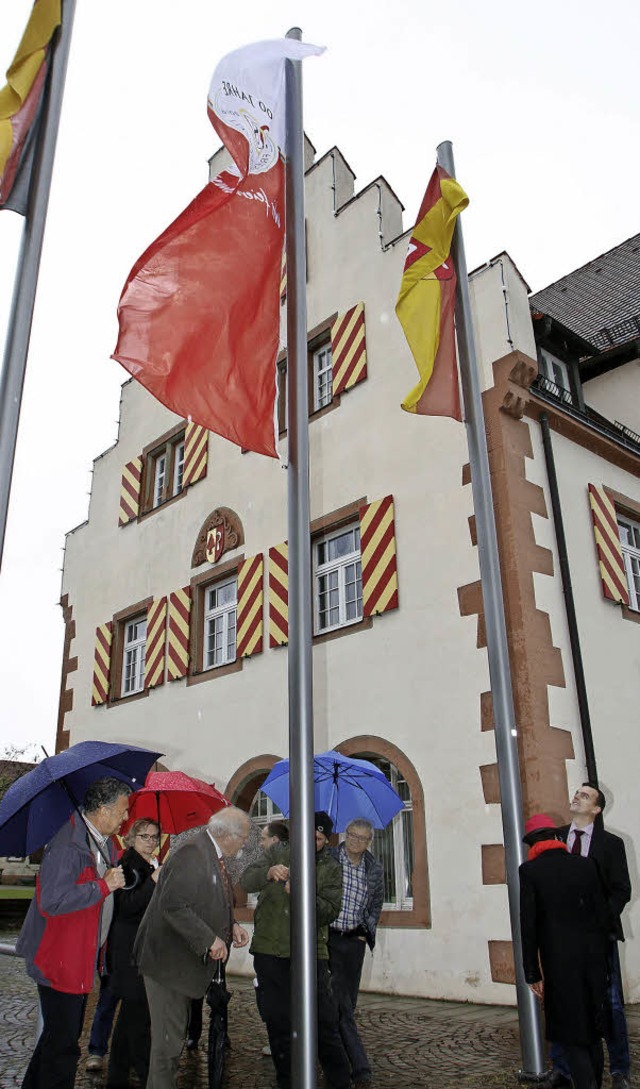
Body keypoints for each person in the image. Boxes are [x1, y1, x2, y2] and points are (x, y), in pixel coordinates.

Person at [16, 777, 130, 1089]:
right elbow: (53, 900)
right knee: (63, 1048)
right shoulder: (69, 844)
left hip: (78, 957)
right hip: (59, 959)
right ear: (104, 811)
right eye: (122, 811)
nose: (125, 818)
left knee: (55, 1040)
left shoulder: (102, 842)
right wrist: (103, 885)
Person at [133, 806, 250, 1089]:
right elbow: (173, 905)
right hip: (168, 963)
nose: (245, 843)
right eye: (244, 837)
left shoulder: (211, 855)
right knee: (167, 1046)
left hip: (180, 964)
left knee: (171, 1041)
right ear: (227, 835)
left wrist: (230, 924)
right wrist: (209, 939)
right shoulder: (192, 854)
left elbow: (208, 898)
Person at [240, 811, 351, 1089]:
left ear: (326, 840)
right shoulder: (278, 851)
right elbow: (246, 879)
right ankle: (287, 1080)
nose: (313, 842)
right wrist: (268, 872)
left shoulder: (330, 867)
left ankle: (340, 1081)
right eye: (310, 835)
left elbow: (329, 911)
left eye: (320, 838)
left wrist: (304, 894)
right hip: (270, 950)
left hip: (311, 953)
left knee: (324, 1022)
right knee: (278, 1022)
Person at [548, 783, 632, 1089]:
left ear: (596, 809)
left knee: (611, 1005)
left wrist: (598, 919)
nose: (576, 796)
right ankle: (562, 1069)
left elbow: (622, 889)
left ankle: (619, 1070)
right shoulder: (555, 838)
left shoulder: (611, 844)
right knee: (562, 1003)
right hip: (562, 939)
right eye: (576, 793)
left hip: (599, 938)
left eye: (584, 795)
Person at [519, 813, 611, 1089]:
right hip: (593, 960)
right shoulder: (585, 866)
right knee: (593, 1031)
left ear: (532, 844)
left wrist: (531, 972)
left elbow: (529, 926)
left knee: (572, 1034)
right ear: (557, 838)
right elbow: (601, 916)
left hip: (560, 964)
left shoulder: (530, 872)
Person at [105, 818, 161, 1088]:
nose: (150, 842)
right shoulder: (127, 866)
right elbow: (127, 907)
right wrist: (153, 881)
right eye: (144, 836)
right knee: (138, 1015)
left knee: (131, 1015)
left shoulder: (148, 865)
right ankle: (147, 1073)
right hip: (129, 951)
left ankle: (118, 1074)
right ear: (131, 838)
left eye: (154, 837)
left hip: (143, 948)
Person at [328, 818, 384, 1089]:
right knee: (340, 1004)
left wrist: (365, 931)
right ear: (344, 835)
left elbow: (376, 903)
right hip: (328, 939)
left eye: (363, 838)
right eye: (352, 835)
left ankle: (333, 1055)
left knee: (346, 1003)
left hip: (354, 941)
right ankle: (359, 1066)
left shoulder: (373, 868)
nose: (356, 841)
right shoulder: (328, 859)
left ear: (369, 841)